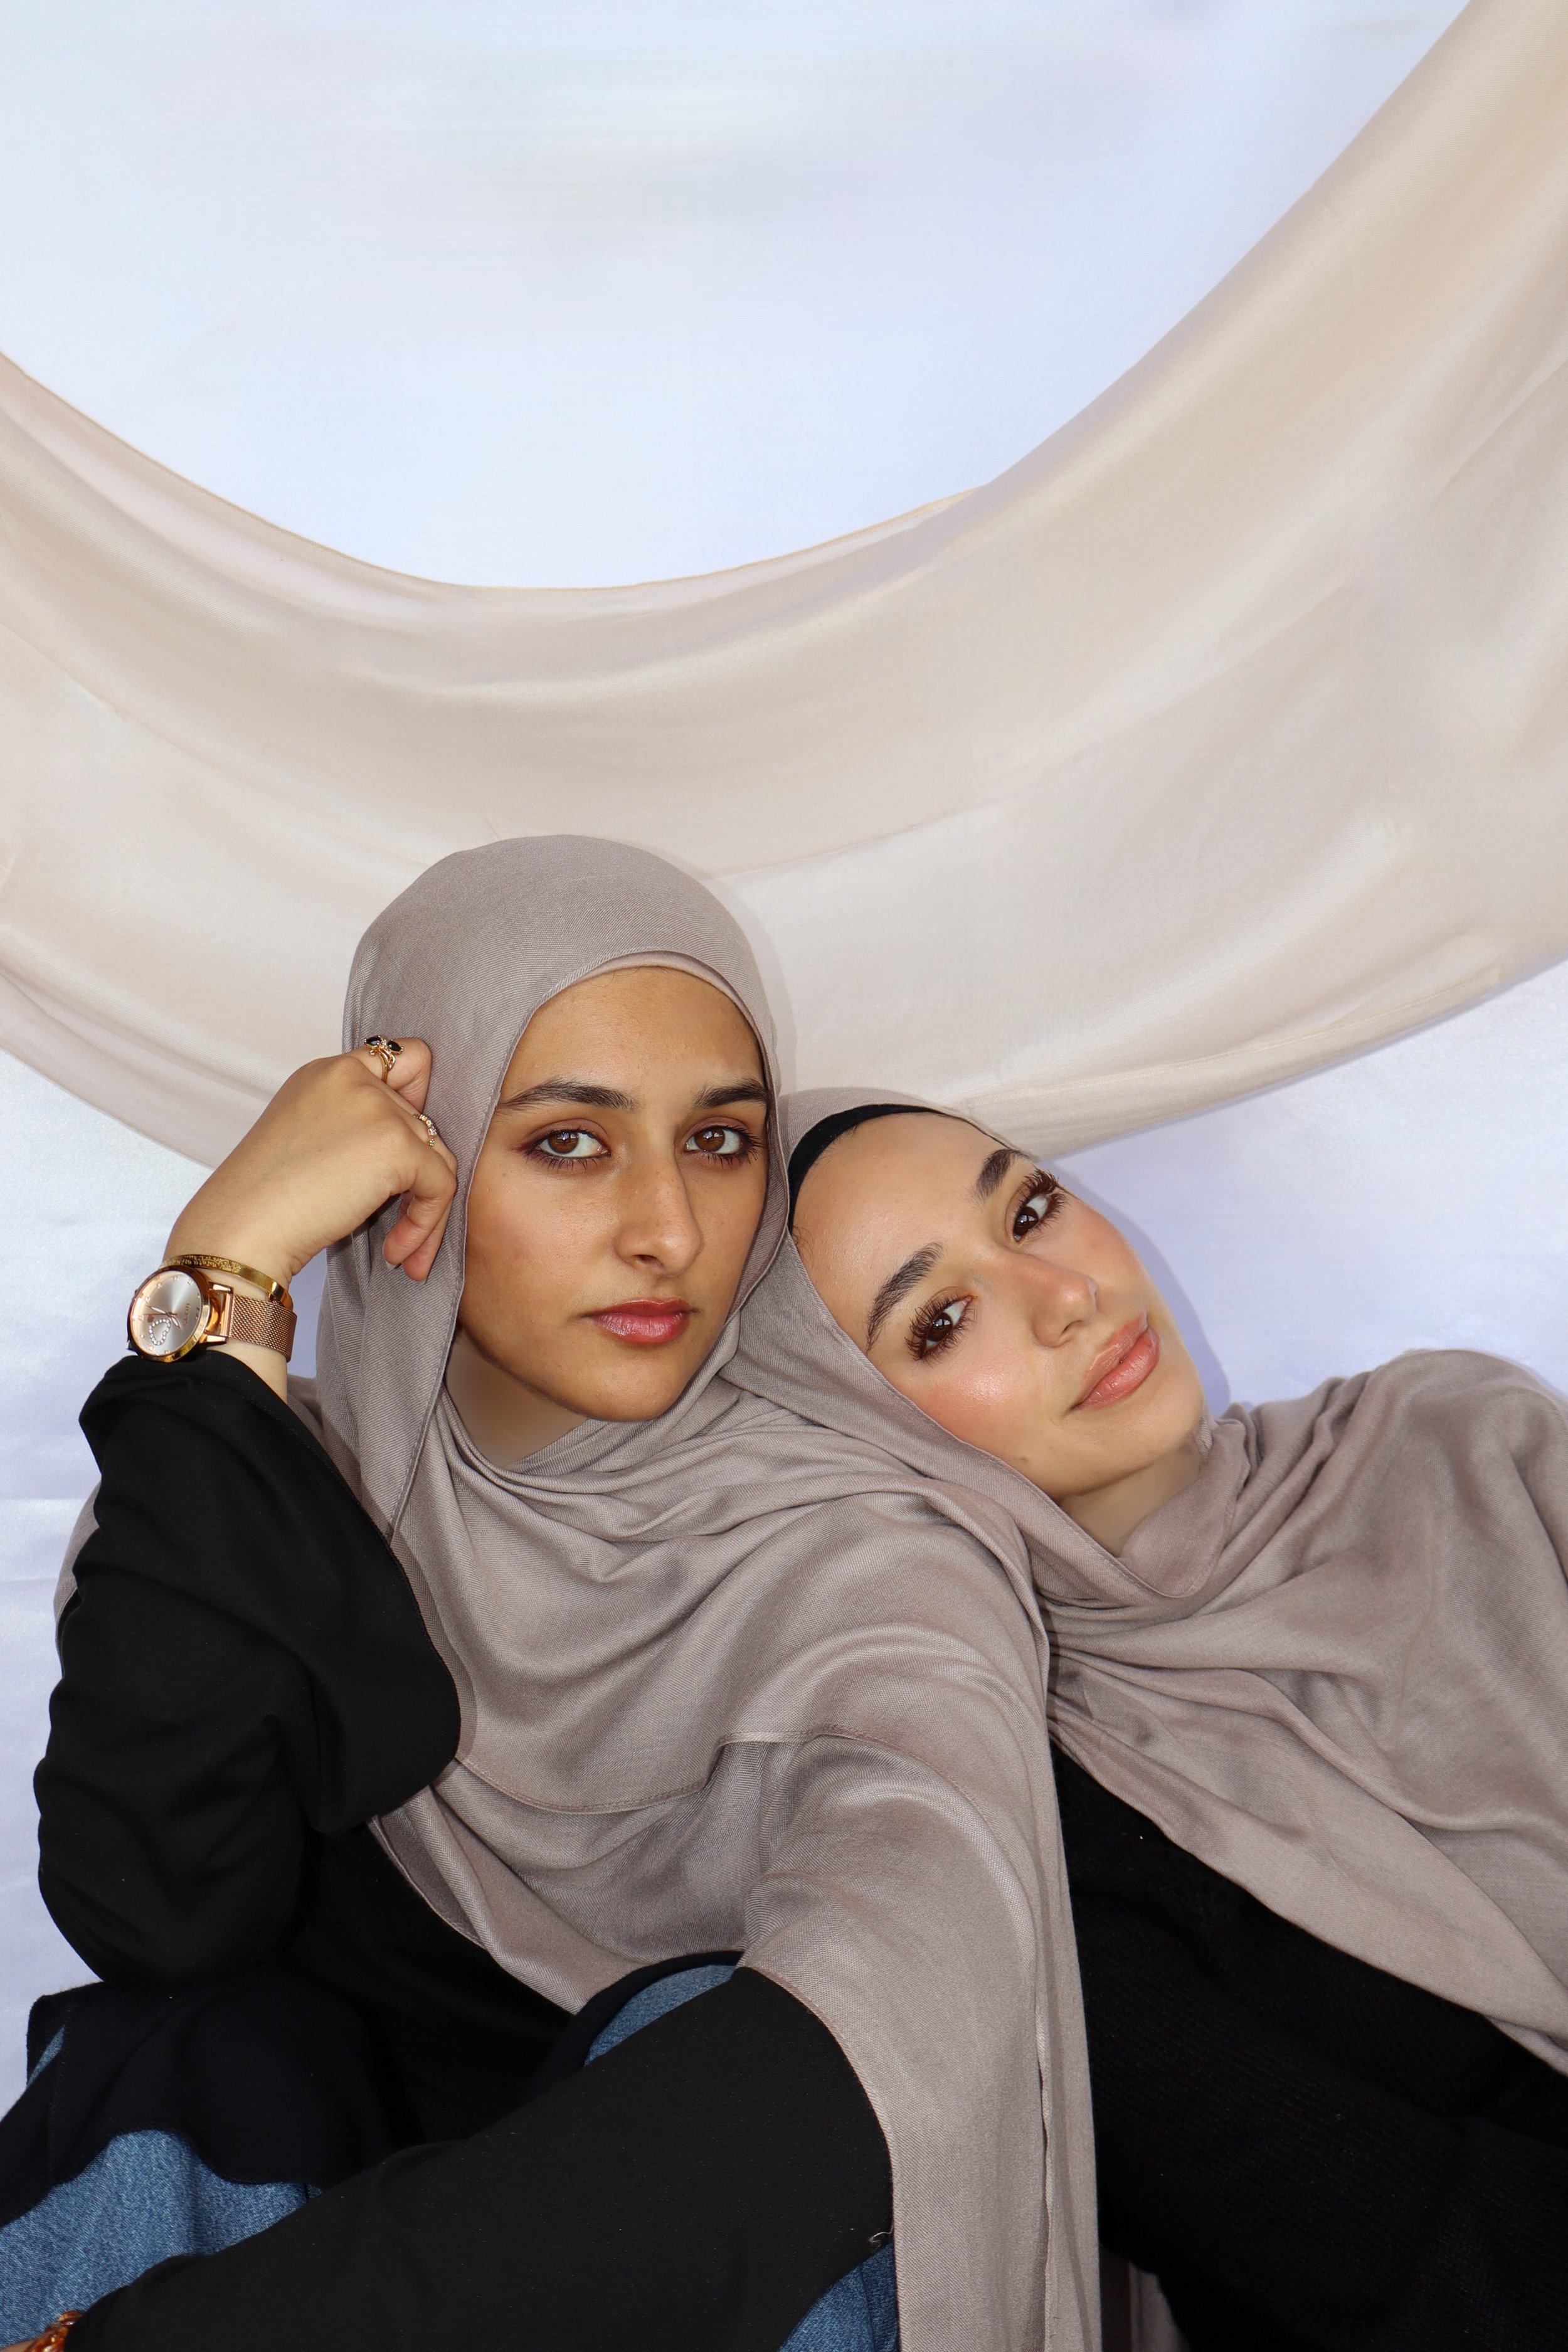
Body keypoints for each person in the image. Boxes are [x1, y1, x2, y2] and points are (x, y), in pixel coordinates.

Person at [6, 843, 1100, 2352]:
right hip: (293, 2254)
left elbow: (840, 2085)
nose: (669, 1229)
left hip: (693, 2291)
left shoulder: (865, 1561)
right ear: (414, 1161)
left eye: (719, 1141)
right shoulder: (245, 1486)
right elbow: (155, 1916)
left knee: (710, 2031)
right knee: (194, 2046)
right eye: (570, 1143)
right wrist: (229, 1280)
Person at [743, 1088, 1568, 2352]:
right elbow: (1434, 2272)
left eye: (1030, 1209)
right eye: (941, 1320)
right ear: (853, 1440)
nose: (1065, 1295)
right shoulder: (1032, 1837)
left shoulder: (1467, 1439)